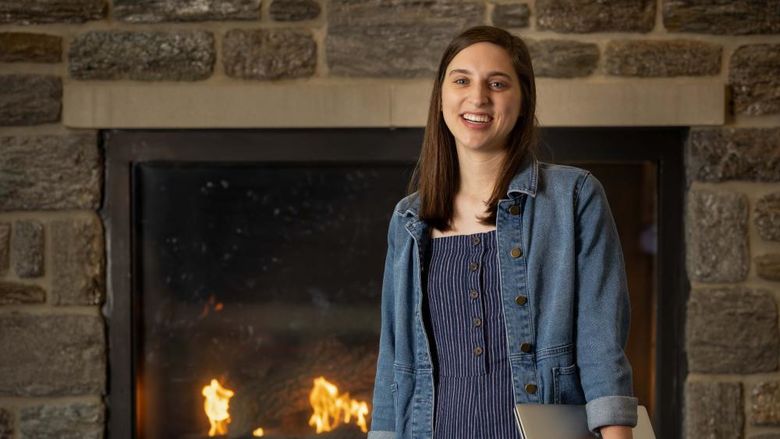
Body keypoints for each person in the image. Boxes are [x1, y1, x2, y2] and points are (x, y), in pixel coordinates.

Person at [367, 25, 638, 439]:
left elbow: (602, 348)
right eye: (461, 81)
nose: (478, 98)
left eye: (497, 83)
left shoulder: (574, 198)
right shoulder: (408, 220)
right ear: (441, 98)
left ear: (523, 100)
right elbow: (394, 362)